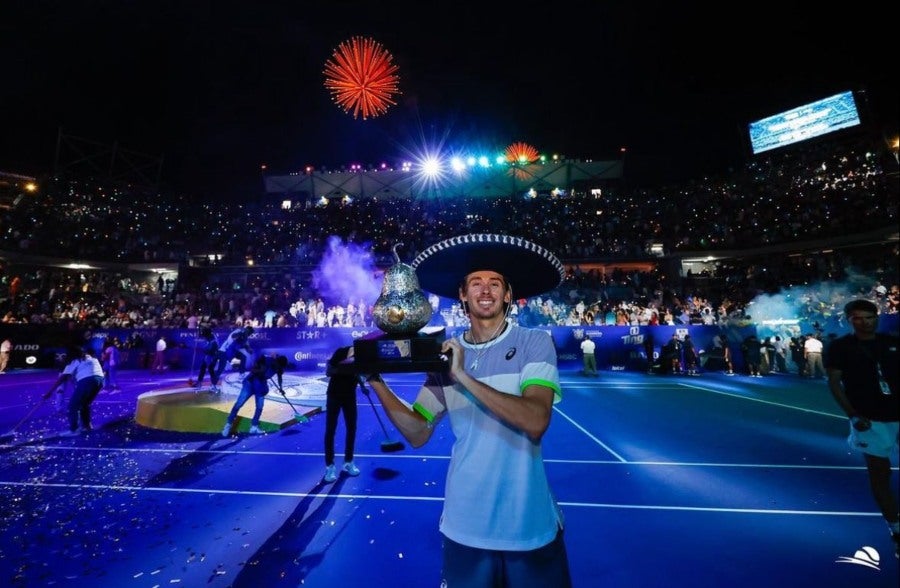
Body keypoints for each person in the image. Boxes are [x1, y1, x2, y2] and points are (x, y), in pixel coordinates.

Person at [365, 234, 572, 587]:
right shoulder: (446, 353)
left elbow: (536, 421)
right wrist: (374, 379)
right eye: (476, 283)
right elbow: (417, 432)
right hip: (465, 526)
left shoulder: (533, 343)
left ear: (508, 295)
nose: (486, 291)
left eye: (495, 284)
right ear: (463, 294)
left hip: (529, 526)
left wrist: (461, 376)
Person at [825, 299, 899, 558]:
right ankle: (896, 529)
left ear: (877, 318)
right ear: (849, 320)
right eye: (858, 318)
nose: (865, 322)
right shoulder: (840, 347)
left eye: (870, 317)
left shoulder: (891, 342)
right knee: (880, 474)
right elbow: (834, 383)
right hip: (870, 419)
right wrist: (852, 414)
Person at [42, 344, 105, 436]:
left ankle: (74, 429)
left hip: (87, 381)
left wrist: (49, 392)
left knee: (73, 406)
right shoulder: (92, 358)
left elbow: (63, 378)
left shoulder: (75, 361)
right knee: (85, 404)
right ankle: (87, 426)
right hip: (99, 381)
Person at [221, 352, 288, 436]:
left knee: (259, 407)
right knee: (239, 404)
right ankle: (228, 425)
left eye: (279, 367)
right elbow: (254, 368)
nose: (277, 368)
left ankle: (254, 426)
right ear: (276, 361)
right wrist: (259, 370)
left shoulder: (279, 368)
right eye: (277, 365)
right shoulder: (266, 360)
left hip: (260, 386)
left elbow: (279, 377)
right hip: (250, 383)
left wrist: (281, 388)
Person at [322, 345, 360, 482]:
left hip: (350, 395)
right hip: (334, 395)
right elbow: (329, 371)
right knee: (330, 430)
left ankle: (348, 462)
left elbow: (360, 374)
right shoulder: (341, 351)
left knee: (352, 428)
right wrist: (345, 369)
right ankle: (330, 466)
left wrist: (361, 383)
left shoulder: (363, 357)